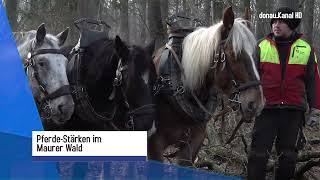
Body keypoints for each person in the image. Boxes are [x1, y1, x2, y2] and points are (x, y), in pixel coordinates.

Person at [247, 7, 320, 180]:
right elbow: (250, 77)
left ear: (292, 25)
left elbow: (313, 80)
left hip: (293, 111)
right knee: (258, 154)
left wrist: (315, 108)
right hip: (266, 109)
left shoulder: (306, 49)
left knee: (288, 157)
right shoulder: (260, 46)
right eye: (274, 21)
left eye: (281, 22)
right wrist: (248, 101)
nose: (276, 25)